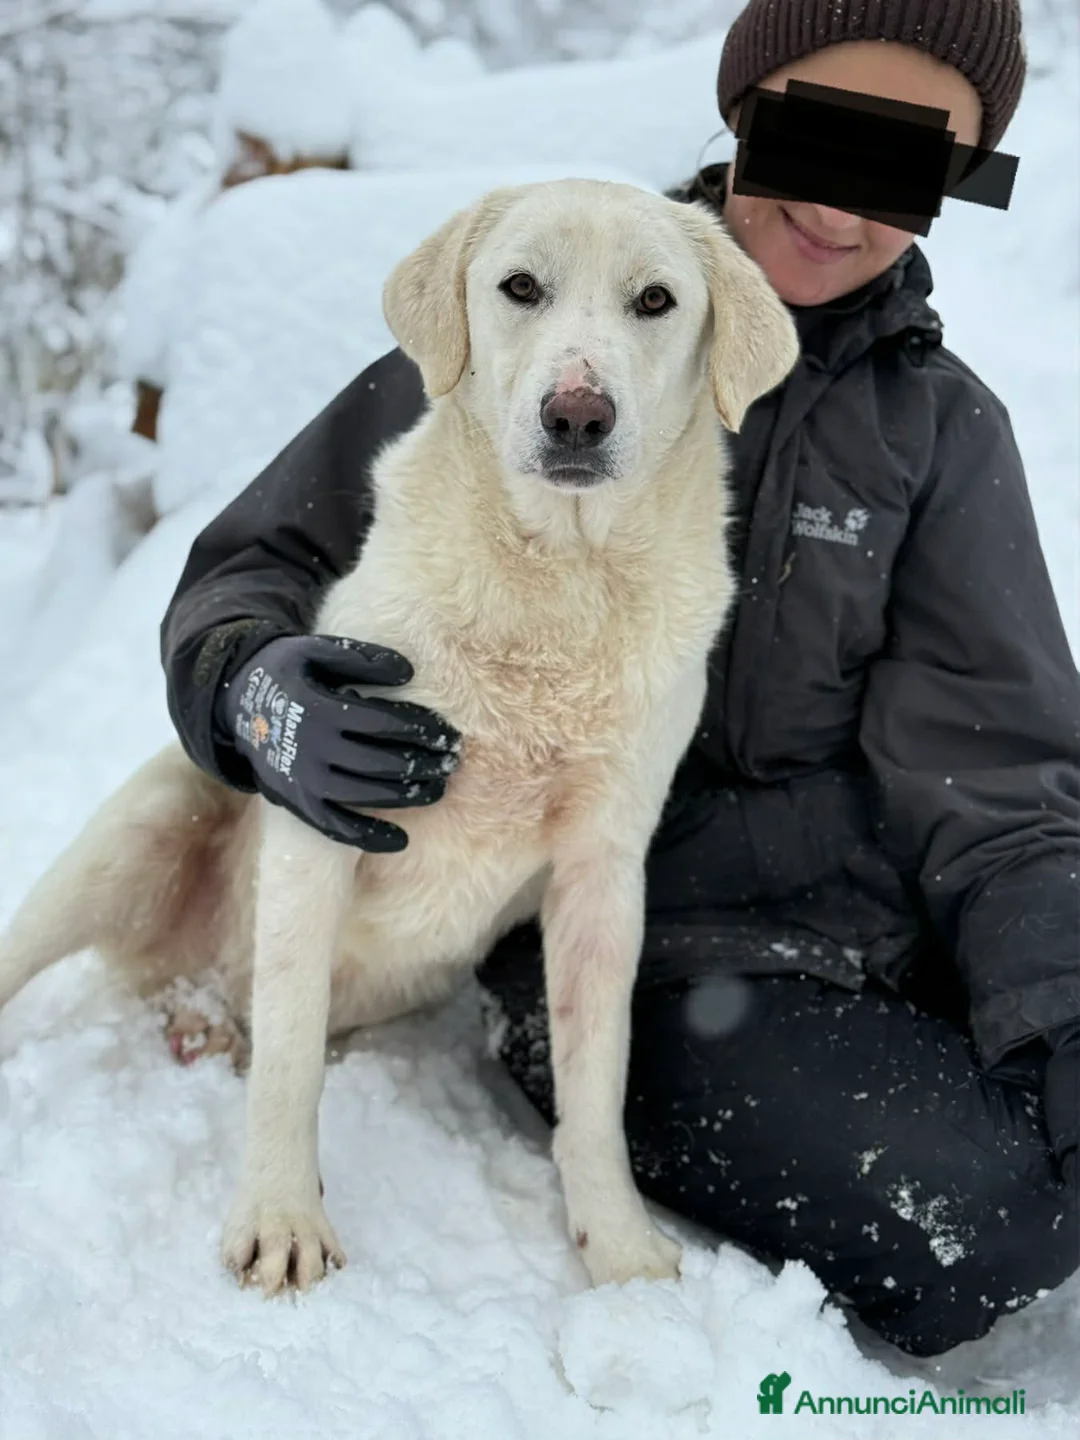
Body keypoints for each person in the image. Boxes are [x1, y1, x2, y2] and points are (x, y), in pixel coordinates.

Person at [160, 0, 1079, 1357]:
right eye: (818, 135)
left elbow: (999, 774)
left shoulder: (938, 431)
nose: (837, 203)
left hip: (863, 926)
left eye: (905, 165)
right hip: (650, 957)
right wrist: (256, 692)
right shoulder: (530, 309)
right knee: (989, 1223)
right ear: (746, 111)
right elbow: (254, 565)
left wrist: (1060, 1006)